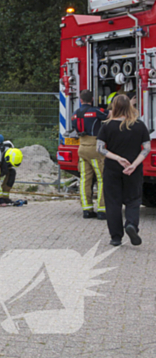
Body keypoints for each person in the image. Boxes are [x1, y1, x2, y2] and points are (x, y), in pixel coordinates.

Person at [96, 94, 150, 246]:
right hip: (133, 170)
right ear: (130, 107)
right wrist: (134, 164)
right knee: (133, 200)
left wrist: (117, 158)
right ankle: (131, 224)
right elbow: (146, 148)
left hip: (113, 169)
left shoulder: (106, 126)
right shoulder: (139, 125)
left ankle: (116, 237)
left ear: (114, 107)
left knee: (113, 202)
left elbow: (100, 148)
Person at [71, 89, 108, 219]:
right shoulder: (96, 111)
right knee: (102, 178)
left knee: (85, 180)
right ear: (92, 99)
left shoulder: (74, 114)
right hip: (94, 148)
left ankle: (87, 209)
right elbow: (108, 116)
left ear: (80, 100)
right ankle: (102, 210)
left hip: (82, 147)